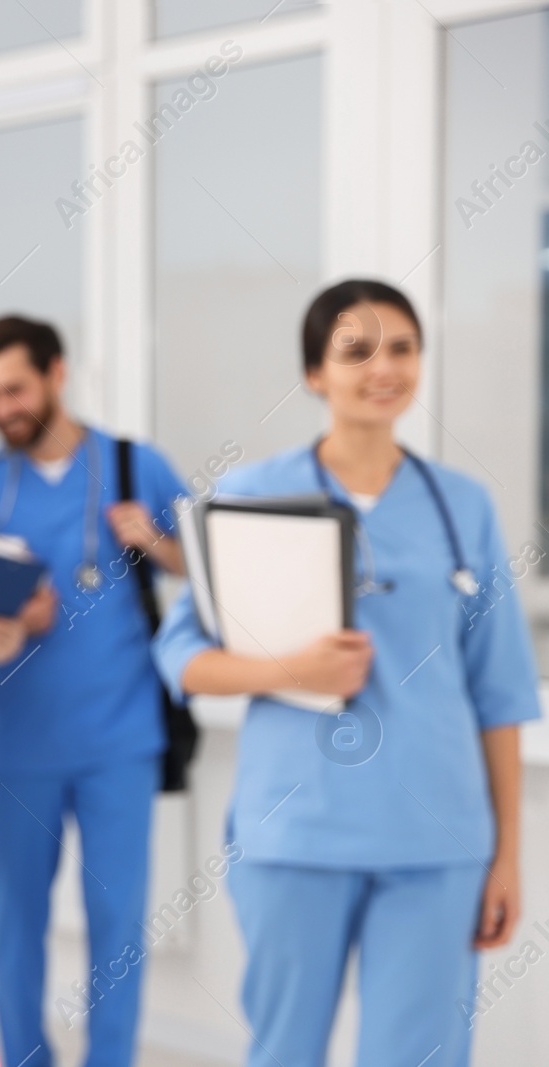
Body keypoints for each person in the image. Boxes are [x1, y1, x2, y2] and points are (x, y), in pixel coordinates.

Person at [152, 279, 538, 1067]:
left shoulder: (462, 504)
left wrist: (506, 853)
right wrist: (289, 666)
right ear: (315, 373)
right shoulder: (253, 494)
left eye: (400, 347)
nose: (382, 367)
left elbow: (498, 691)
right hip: (298, 831)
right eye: (356, 350)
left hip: (436, 837)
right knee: (285, 1050)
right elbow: (182, 659)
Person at [0, 315, 187, 1067]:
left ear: (56, 374)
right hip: (21, 743)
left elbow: (205, 573)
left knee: (117, 923)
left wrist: (154, 542)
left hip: (120, 740)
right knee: (15, 924)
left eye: (15, 387)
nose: (4, 406)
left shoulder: (137, 467)